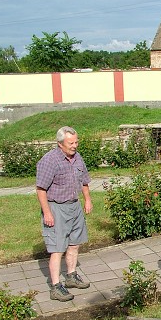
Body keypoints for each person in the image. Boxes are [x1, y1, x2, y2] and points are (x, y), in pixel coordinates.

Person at [36, 126, 93, 302]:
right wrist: (47, 213)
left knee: (75, 244)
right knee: (57, 249)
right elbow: (41, 189)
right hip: (56, 208)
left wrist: (87, 199)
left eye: (76, 142)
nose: (75, 145)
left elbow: (84, 180)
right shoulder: (49, 161)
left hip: (74, 205)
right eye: (71, 143)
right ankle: (55, 286)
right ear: (60, 144)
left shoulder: (77, 158)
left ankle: (71, 276)